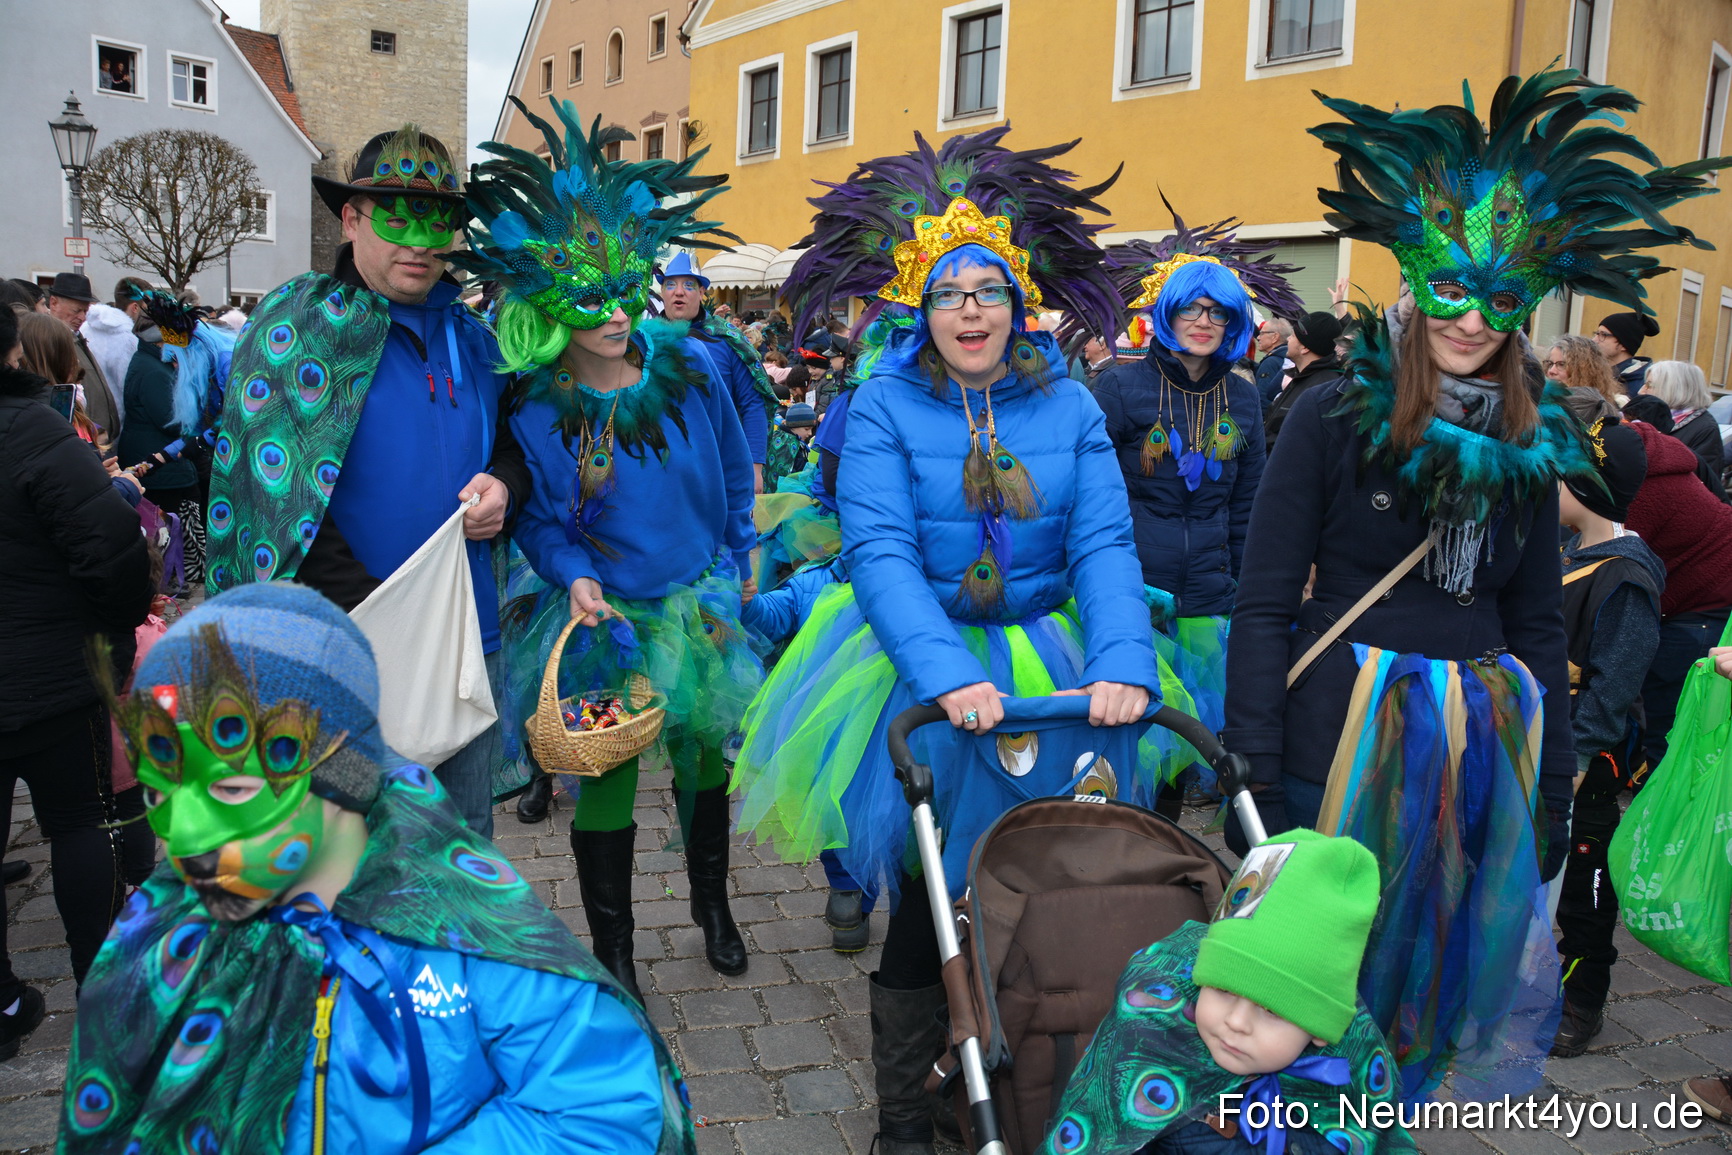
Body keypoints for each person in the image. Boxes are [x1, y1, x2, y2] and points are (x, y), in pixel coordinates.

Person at [1227, 67, 1728, 1100]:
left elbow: (1535, 620)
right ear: (1417, 282)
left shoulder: (1531, 441)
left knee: (1422, 983)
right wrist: (1257, 775)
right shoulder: (1331, 415)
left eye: (1500, 298)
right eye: (1450, 289)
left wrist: (1550, 787)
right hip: (1339, 735)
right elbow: (1265, 599)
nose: (1470, 319)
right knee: (1307, 980)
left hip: (1474, 746)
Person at [732, 125, 1167, 1155]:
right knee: (933, 900)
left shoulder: (1071, 404)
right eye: (948, 294)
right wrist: (948, 677)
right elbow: (880, 555)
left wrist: (1121, 661)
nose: (970, 311)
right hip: (917, 671)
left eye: (988, 292)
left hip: (1051, 661)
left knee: (1049, 885)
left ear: (1019, 302)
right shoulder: (881, 403)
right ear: (919, 308)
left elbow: (1105, 544)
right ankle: (903, 1120)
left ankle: (1016, 1082)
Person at [62, 583, 691, 1153]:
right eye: (159, 791)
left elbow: (603, 1106)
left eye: (231, 790)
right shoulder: (161, 937)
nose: (184, 838)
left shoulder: (461, 932)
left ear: (339, 777)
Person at [454, 97, 760, 1004]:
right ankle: (614, 952)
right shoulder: (535, 406)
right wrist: (575, 572)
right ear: (551, 303)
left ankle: (714, 906)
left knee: (704, 762)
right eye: (591, 299)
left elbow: (734, 467)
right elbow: (537, 521)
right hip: (603, 620)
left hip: (695, 603)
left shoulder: (692, 367)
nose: (618, 312)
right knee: (607, 773)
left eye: (627, 289)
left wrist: (737, 554)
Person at [204, 125, 525, 839]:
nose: (420, 242)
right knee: (355, 853)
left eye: (437, 221)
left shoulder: (476, 340)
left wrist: (505, 485)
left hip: (469, 644)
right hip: (347, 650)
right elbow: (270, 501)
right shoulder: (299, 326)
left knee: (461, 846)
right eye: (396, 218)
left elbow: (514, 445)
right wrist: (379, 621)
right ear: (350, 220)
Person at [1088, 208, 1303, 786]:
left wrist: (1244, 584)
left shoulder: (1243, 396)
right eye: (1191, 308)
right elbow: (1094, 498)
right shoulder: (1118, 384)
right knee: (1133, 756)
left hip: (1211, 602)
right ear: (1166, 312)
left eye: (1218, 311)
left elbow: (1250, 502)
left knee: (1197, 754)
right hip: (1134, 595)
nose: (1203, 321)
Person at [1043, 830, 1412, 1155]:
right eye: (1222, 988)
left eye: (1272, 1010)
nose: (1236, 1021)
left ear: (1319, 1030)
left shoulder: (1349, 1079)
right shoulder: (1149, 1042)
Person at [0, 303, 149, 1058]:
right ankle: (104, 993)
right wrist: (111, 638)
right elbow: (112, 548)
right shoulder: (36, 431)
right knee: (82, 822)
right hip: (53, 673)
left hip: (45, 667)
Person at [1547, 412, 1663, 1058]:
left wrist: (1580, 754)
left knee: (1584, 883)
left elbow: (1616, 681)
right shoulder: (1572, 551)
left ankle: (1583, 1000)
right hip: (1550, 741)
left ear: (1585, 487)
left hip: (1588, 758)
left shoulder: (1625, 576)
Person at [1621, 414, 1732, 772]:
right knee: (1675, 723)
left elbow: (1616, 561)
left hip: (1700, 607)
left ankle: (1666, 800)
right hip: (1703, 598)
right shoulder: (1659, 465)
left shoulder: (1642, 488)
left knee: (1669, 727)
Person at [656, 249, 778, 493]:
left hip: (718, 465)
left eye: (688, 285)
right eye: (670, 284)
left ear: (702, 292)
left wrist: (755, 468)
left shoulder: (727, 340)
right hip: (659, 467)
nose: (678, 292)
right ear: (662, 292)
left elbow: (753, 404)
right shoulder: (645, 340)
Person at [117, 292, 207, 588]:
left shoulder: (154, 363)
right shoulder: (152, 370)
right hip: (161, 466)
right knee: (168, 526)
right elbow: (172, 419)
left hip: (162, 462)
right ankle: (172, 580)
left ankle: (175, 579)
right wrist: (199, 412)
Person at [43, 272, 121, 439]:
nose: (83, 318)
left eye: (85, 311)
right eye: (77, 310)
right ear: (54, 303)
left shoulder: (75, 337)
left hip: (95, 438)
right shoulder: (49, 341)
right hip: (82, 439)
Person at [1264, 310, 1344, 451]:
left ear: (1305, 348)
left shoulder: (1323, 388)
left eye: (1293, 336)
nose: (1288, 339)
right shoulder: (1302, 377)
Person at [1642, 359, 1723, 475]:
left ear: (1673, 388)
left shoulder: (1705, 429)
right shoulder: (1651, 417)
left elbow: (1702, 478)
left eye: (1649, 385)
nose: (1641, 391)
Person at [1545, 332, 1624, 408]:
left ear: (1584, 371)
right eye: (1550, 364)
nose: (1551, 371)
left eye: (1562, 364)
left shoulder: (1601, 410)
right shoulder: (1542, 405)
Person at [1594, 311, 1661, 392]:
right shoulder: (1594, 373)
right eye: (1596, 334)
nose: (1594, 340)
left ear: (1623, 344)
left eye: (1603, 335)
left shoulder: (1642, 384)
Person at [1254, 317, 1294, 410]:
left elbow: (1262, 399)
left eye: (1262, 333)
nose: (1258, 337)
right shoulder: (1291, 360)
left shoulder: (1270, 362)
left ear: (1275, 337)